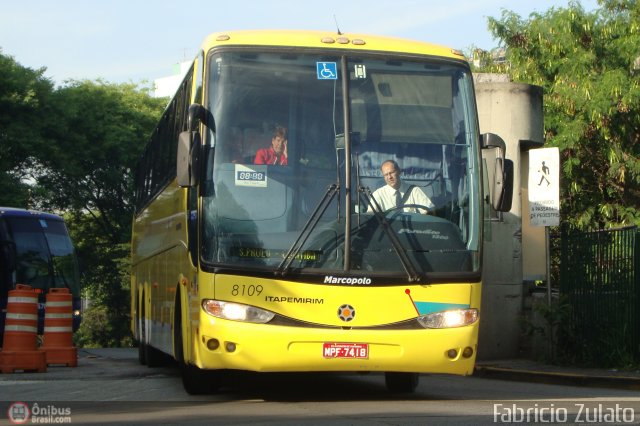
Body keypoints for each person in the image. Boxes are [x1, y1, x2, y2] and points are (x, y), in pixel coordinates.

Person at [369, 160, 435, 214]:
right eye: (386, 175)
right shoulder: (377, 195)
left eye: (392, 172)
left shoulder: (414, 191)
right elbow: (370, 216)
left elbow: (430, 212)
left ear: (399, 171)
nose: (389, 177)